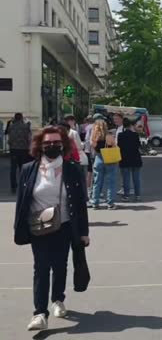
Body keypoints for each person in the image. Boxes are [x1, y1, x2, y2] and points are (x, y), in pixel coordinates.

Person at [13, 125, 90, 331]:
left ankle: (58, 299)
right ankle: (39, 313)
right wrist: (19, 229)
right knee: (41, 267)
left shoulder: (72, 169)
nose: (52, 146)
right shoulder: (30, 169)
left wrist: (84, 233)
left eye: (56, 142)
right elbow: (21, 201)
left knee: (60, 265)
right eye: (47, 143)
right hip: (38, 227)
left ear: (63, 145)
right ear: (40, 145)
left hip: (65, 226)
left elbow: (81, 203)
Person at [90, 119, 118, 210]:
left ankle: (95, 202)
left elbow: (93, 148)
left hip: (98, 159)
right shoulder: (109, 136)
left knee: (97, 182)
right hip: (109, 159)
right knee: (111, 182)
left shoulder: (94, 138)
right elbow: (114, 147)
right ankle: (110, 203)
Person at [118, 119, 143, 202]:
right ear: (130, 126)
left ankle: (126, 196)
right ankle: (138, 195)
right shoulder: (135, 135)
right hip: (135, 158)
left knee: (126, 178)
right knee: (136, 178)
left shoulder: (120, 135)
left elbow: (119, 146)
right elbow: (138, 146)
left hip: (125, 158)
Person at [8, 113, 32, 194]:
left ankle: (13, 186)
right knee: (23, 168)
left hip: (14, 149)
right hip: (24, 149)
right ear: (21, 118)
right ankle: (24, 184)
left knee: (13, 169)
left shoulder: (11, 126)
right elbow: (29, 137)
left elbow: (9, 138)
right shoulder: (26, 126)